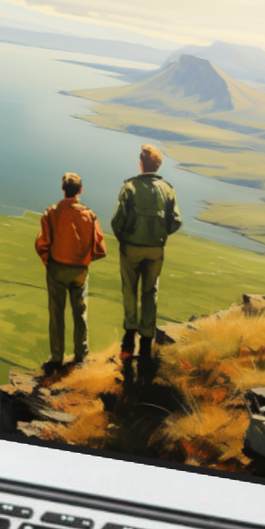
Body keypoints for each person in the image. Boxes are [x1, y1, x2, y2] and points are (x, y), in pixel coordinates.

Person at [111, 145, 181, 367]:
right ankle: (146, 342)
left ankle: (129, 338)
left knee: (129, 290)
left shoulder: (130, 186)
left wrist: (124, 239)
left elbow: (117, 220)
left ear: (141, 163)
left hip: (131, 247)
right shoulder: (168, 189)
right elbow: (176, 221)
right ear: (158, 165)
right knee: (150, 293)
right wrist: (161, 235)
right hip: (155, 249)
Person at [34, 172, 107, 371]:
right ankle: (80, 355)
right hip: (80, 271)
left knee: (56, 315)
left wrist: (47, 262)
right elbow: (100, 248)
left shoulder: (51, 212)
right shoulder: (90, 215)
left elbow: (42, 243)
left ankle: (56, 357)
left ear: (63, 189)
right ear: (80, 190)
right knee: (80, 314)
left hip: (56, 269)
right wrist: (84, 259)